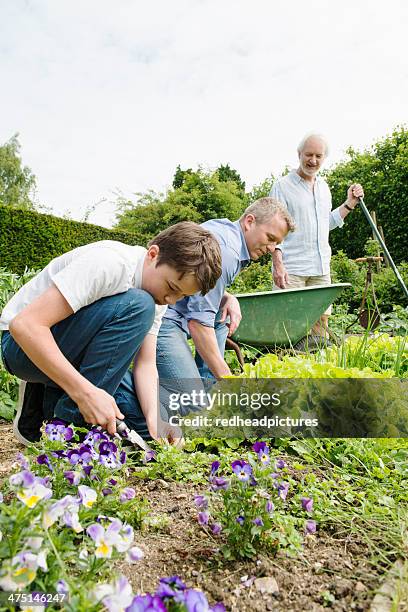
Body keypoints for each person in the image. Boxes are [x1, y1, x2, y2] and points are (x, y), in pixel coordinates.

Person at [0, 222, 222, 445]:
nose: (172, 300)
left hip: (73, 351)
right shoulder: (111, 263)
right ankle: (70, 430)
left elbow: (145, 364)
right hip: (20, 348)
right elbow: (25, 325)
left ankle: (45, 400)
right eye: (172, 288)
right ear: (153, 254)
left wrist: (158, 418)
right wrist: (85, 394)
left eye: (182, 296)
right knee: (141, 305)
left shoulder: (159, 294)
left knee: (143, 429)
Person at [114, 197, 295, 438]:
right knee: (193, 405)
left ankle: (207, 391)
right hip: (165, 317)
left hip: (179, 313)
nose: (272, 248)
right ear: (250, 222)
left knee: (222, 314)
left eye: (277, 243)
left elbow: (201, 290)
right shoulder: (228, 252)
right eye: (270, 238)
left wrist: (228, 297)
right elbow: (198, 325)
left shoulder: (226, 232)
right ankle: (119, 388)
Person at [270, 133, 364, 339]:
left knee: (320, 329)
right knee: (286, 326)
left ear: (324, 158)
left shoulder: (324, 188)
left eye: (318, 156)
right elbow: (272, 229)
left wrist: (349, 204)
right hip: (291, 268)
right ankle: (283, 368)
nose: (313, 161)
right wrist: (277, 264)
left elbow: (325, 224)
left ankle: (317, 367)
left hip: (320, 268)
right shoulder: (282, 186)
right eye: (309, 154)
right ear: (299, 154)